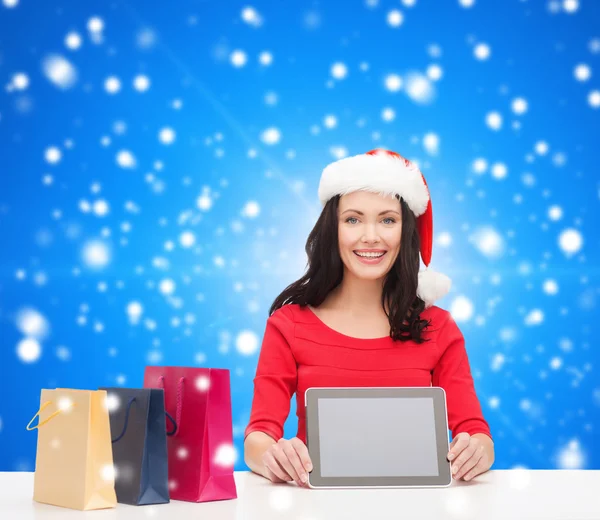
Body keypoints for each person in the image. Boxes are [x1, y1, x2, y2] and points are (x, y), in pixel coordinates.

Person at [243, 149, 494, 488]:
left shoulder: (440, 328)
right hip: (317, 506)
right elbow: (258, 437)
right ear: (333, 228)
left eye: (388, 220)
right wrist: (273, 458)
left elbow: (477, 433)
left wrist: (476, 451)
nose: (371, 236)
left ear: (406, 232)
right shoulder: (288, 325)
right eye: (353, 219)